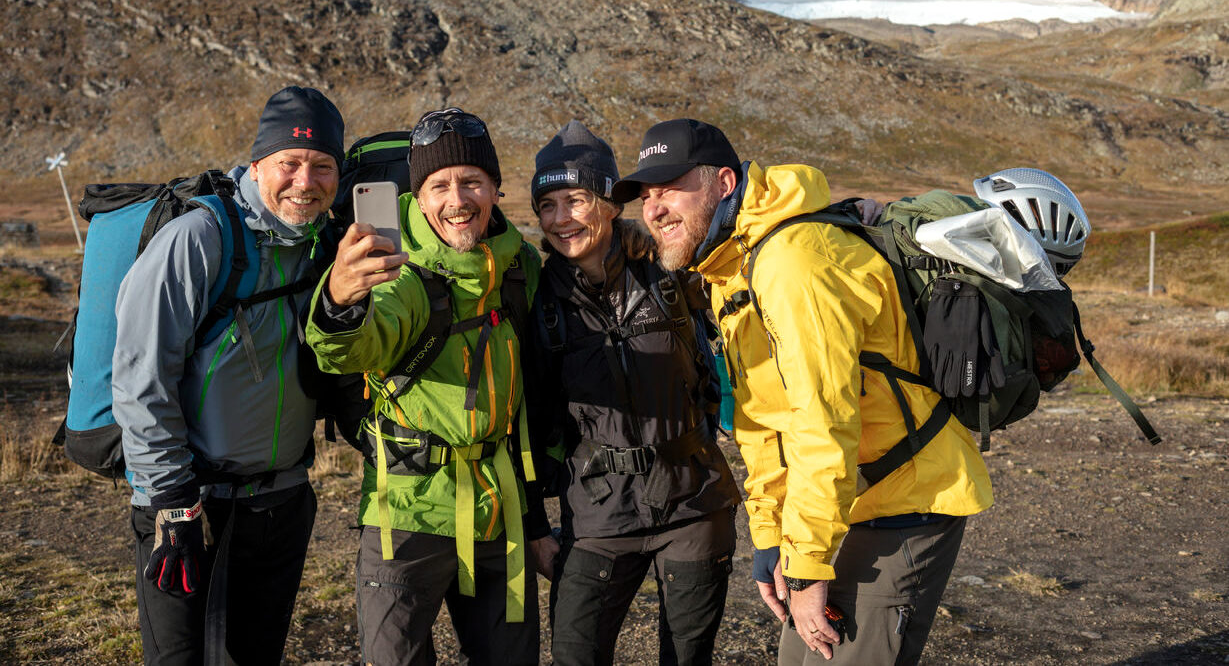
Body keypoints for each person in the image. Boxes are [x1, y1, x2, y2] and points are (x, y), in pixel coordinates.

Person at [611, 118, 994, 666]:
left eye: (671, 188)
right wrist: (771, 533)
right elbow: (761, 419)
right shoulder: (731, 267)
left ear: (724, 184)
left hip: (905, 498)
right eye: (646, 196)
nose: (654, 208)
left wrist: (809, 564)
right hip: (844, 501)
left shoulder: (794, 262)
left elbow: (824, 422)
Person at [305, 107, 554, 666]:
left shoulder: (521, 268)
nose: (456, 199)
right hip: (406, 516)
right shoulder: (396, 272)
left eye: (471, 181)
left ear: (495, 189)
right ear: (417, 197)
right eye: (438, 185)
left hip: (498, 511)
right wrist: (342, 300)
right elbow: (353, 345)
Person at [112, 85, 345, 665]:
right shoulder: (200, 238)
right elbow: (140, 378)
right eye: (289, 164)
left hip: (282, 501)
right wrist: (171, 501)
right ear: (259, 162)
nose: (304, 181)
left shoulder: (326, 247)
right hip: (188, 506)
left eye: (321, 167)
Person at [529, 121, 741, 666]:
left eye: (575, 199)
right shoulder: (536, 299)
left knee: (688, 658)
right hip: (597, 515)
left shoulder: (671, 269)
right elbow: (523, 424)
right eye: (546, 205)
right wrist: (533, 526)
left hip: (695, 503)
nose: (560, 219)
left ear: (607, 202)